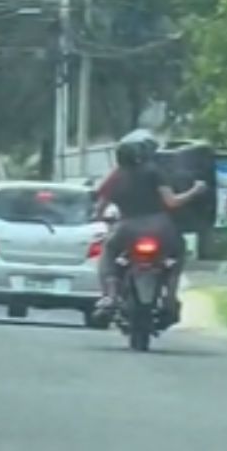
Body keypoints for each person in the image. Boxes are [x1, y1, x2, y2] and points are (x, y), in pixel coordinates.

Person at [92, 135, 207, 324]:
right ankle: (170, 295)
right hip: (161, 228)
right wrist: (195, 190)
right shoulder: (154, 172)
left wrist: (100, 217)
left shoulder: (115, 177)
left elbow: (99, 209)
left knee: (108, 252)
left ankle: (110, 296)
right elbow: (172, 202)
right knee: (178, 253)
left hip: (126, 229)